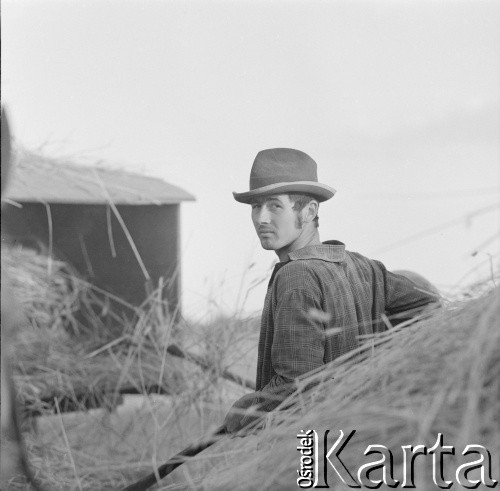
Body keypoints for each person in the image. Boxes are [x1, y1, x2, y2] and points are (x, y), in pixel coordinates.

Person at [223, 148, 440, 434]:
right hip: (357, 437)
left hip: (307, 444)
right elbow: (431, 307)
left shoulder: (296, 275)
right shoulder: (364, 267)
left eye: (275, 206)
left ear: (309, 211)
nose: (262, 218)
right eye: (255, 207)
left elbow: (297, 385)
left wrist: (246, 410)